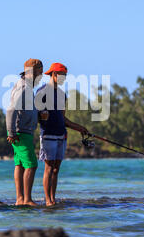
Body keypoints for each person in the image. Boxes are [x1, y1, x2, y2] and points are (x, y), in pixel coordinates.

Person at [36, 62, 89, 206]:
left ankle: (53, 198)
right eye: (62, 75)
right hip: (48, 135)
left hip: (61, 135)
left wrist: (79, 128)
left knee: (56, 169)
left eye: (65, 76)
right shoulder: (41, 92)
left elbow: (63, 118)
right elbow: (36, 114)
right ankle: (48, 201)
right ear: (54, 75)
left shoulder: (61, 94)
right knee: (48, 168)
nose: (64, 78)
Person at [6, 58, 43, 206]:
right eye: (40, 72)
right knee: (31, 165)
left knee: (20, 165)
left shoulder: (27, 87)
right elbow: (11, 110)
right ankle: (26, 200)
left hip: (22, 131)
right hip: (21, 132)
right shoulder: (24, 88)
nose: (40, 76)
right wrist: (11, 132)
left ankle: (20, 199)